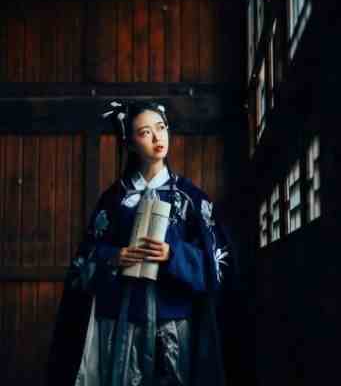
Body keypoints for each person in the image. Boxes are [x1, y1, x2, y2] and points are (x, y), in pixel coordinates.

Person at [47, 100, 235, 386]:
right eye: (145, 132)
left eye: (161, 128)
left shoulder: (190, 198)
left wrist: (174, 255)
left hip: (172, 320)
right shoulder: (114, 199)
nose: (158, 138)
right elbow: (84, 261)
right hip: (121, 321)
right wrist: (114, 257)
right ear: (131, 144)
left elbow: (218, 262)